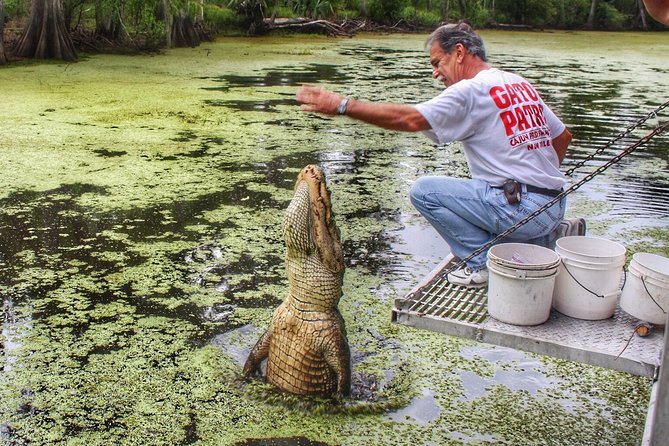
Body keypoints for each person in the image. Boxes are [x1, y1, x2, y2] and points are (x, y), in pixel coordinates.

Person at [296, 22, 583, 287]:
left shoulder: (472, 90)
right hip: (555, 208)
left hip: (522, 213)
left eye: (437, 63)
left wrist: (343, 106)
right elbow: (563, 136)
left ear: (459, 53)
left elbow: (411, 120)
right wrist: (538, 182)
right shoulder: (516, 83)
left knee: (425, 191)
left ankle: (482, 264)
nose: (435, 73)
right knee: (485, 189)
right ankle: (538, 238)